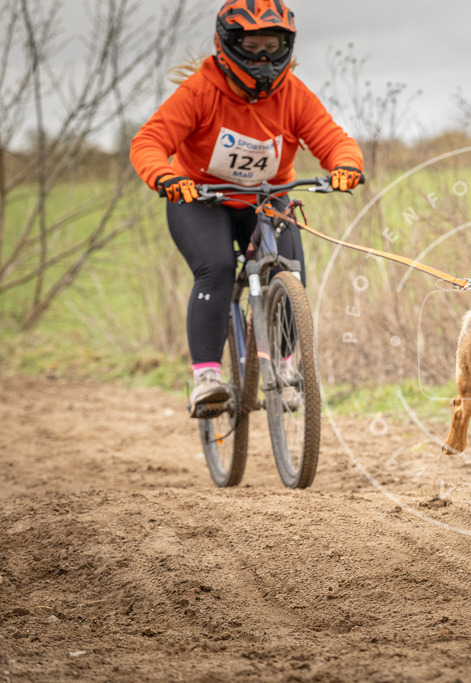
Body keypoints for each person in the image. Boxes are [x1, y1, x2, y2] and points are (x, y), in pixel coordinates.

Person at [130, 0, 362, 415]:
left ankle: (286, 368)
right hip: (200, 198)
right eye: (252, 47)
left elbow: (334, 140)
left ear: (287, 46)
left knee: (290, 271)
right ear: (228, 45)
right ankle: (207, 378)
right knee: (217, 268)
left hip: (267, 198)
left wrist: (346, 166)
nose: (263, 59)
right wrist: (165, 177)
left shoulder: (293, 94)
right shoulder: (200, 91)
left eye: (273, 47)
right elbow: (148, 142)